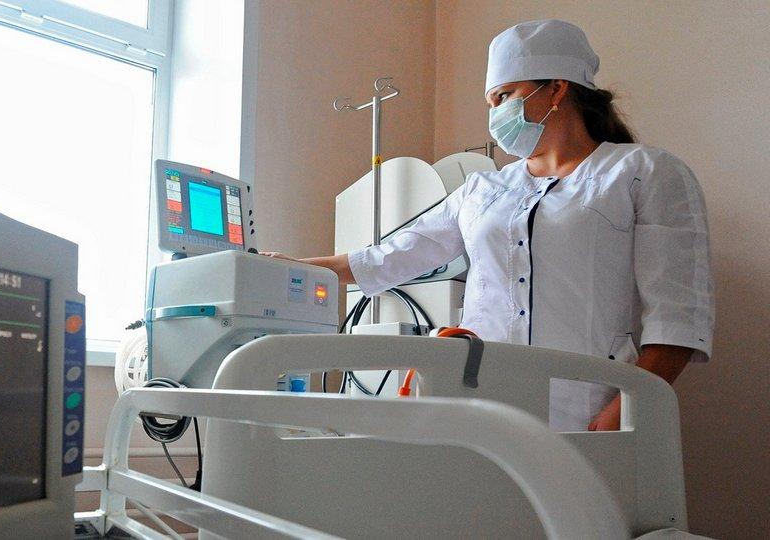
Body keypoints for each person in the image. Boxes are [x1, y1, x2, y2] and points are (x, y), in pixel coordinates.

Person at [266, 19, 714, 431]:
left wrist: (621, 412)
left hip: (589, 408)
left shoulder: (644, 172)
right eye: (490, 103)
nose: (495, 115)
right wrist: (290, 267)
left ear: (557, 89)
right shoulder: (483, 190)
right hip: (482, 406)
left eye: (503, 96)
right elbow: (388, 258)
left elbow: (676, 319)